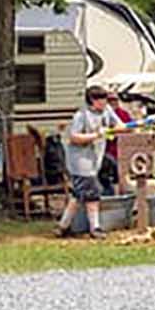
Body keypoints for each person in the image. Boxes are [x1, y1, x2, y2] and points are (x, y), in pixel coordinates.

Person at [56, 86, 111, 239]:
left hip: (94, 160)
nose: (105, 102)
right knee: (92, 195)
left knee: (77, 195)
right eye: (102, 99)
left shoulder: (107, 112)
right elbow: (74, 137)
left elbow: (118, 126)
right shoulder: (81, 115)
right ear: (93, 100)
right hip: (80, 162)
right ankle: (95, 228)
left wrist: (132, 126)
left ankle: (62, 226)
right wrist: (96, 135)